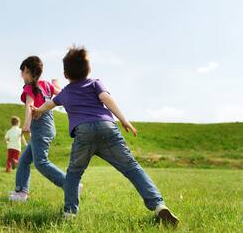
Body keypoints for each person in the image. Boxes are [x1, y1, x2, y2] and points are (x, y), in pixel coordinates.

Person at [31, 46, 179, 227]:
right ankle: (158, 205)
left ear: (65, 74)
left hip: (83, 133)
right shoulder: (95, 83)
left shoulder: (66, 92)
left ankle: (70, 213)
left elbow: (50, 104)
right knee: (132, 168)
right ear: (89, 70)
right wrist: (124, 120)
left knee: (74, 174)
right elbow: (107, 99)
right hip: (107, 128)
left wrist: (37, 111)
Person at [8, 56, 67, 202]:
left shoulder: (30, 87)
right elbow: (63, 95)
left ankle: (71, 185)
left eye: (22, 72)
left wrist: (26, 125)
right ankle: (21, 193)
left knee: (40, 162)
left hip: (39, 127)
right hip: (48, 126)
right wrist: (56, 84)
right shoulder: (46, 85)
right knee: (23, 160)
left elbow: (30, 106)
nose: (21, 76)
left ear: (27, 70)